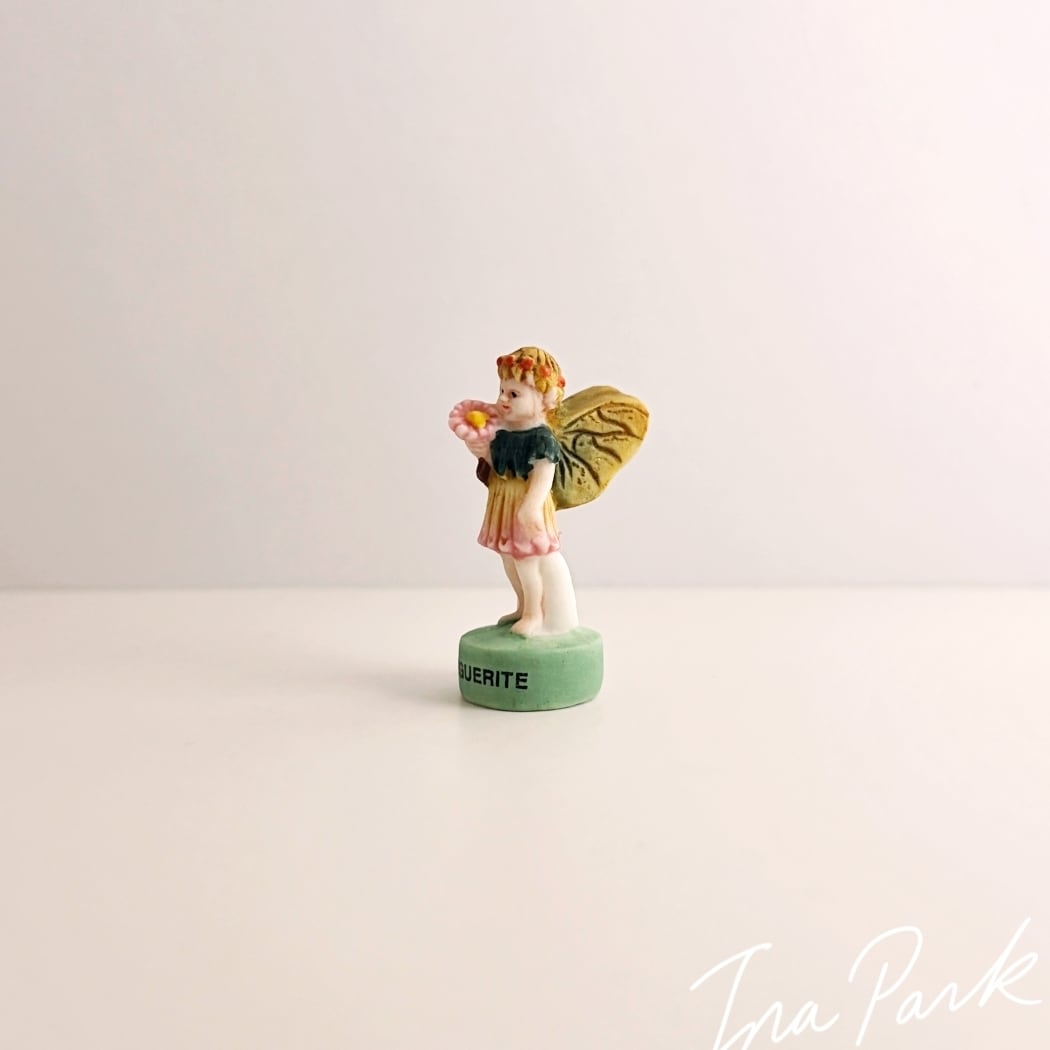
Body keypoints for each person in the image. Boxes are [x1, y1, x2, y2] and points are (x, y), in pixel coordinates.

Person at [451, 347, 579, 637]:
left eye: (513, 394)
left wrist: (530, 508)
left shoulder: (542, 439)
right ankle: (523, 606)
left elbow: (544, 476)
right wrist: (481, 451)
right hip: (504, 502)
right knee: (509, 558)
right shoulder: (506, 434)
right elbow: (499, 465)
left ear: (543, 400)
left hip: (525, 506)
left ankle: (536, 613)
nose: (502, 400)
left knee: (527, 561)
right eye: (501, 391)